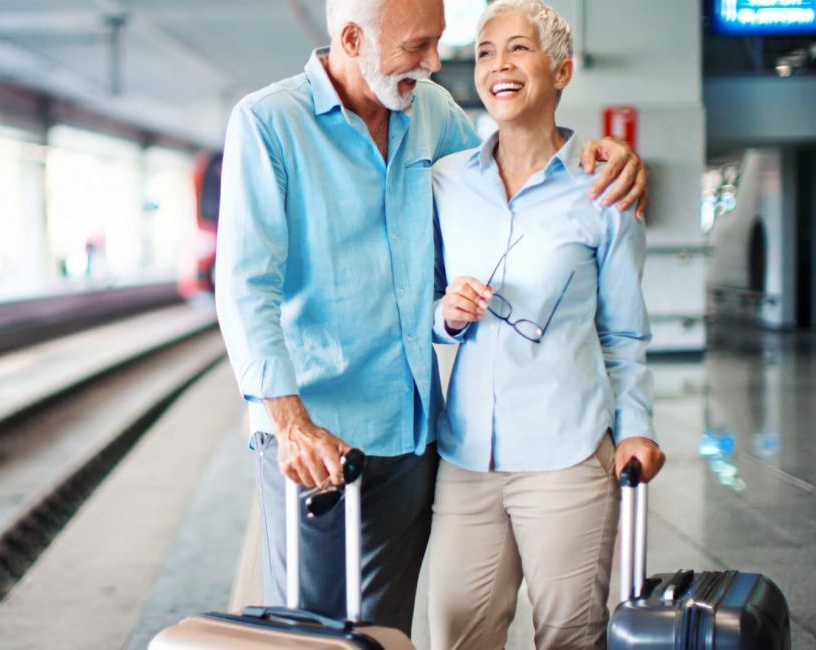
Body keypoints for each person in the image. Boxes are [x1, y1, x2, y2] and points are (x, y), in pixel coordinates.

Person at [214, 0, 647, 634]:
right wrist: (287, 422)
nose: (434, 61)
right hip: (319, 438)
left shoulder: (432, 113)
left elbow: (507, 177)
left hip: (415, 435)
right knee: (315, 631)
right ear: (355, 38)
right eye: (418, 46)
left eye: (439, 43)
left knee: (388, 632)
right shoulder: (269, 123)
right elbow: (244, 285)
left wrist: (605, 157)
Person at [426, 1, 666, 648]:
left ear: (560, 71)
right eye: (482, 51)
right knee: (455, 632)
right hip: (465, 456)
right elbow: (418, 304)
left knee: (569, 636)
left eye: (516, 49)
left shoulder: (602, 190)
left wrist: (636, 430)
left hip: (566, 453)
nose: (497, 65)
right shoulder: (445, 182)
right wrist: (444, 316)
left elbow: (623, 335)